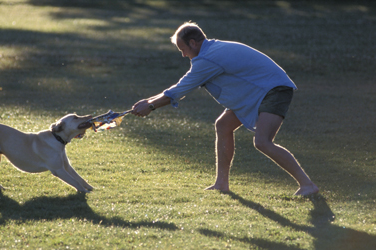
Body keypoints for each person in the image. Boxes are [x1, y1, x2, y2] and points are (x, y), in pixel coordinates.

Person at [131, 22, 319, 196]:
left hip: (274, 90)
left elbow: (181, 89)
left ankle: (307, 185)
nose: (183, 55)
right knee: (223, 125)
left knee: (262, 141)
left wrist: (151, 105)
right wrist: (148, 101)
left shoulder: (208, 58)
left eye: (183, 49)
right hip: (257, 92)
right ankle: (221, 183)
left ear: (193, 43)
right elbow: (178, 88)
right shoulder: (212, 50)